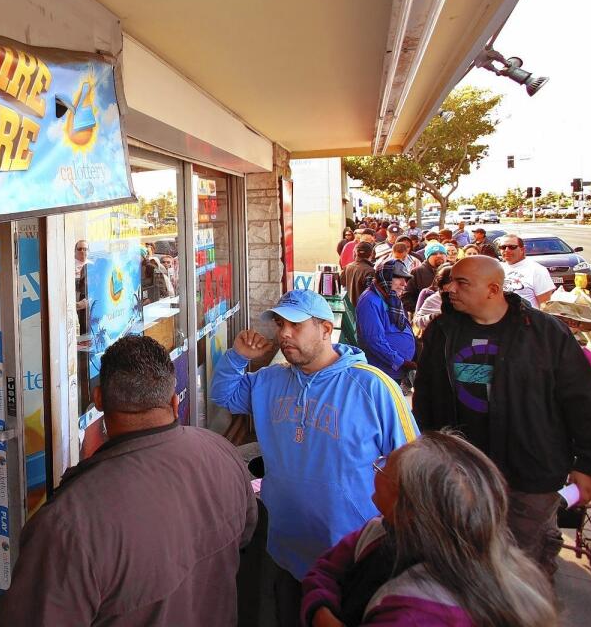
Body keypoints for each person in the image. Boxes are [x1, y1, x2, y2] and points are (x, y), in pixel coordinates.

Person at [0, 336, 257, 626]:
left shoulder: (68, 524)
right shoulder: (221, 451)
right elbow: (245, 534)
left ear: (98, 400)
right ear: (173, 402)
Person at [210, 290, 417, 627]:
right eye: (280, 324)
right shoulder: (270, 380)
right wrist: (237, 356)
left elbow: (413, 464)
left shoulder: (373, 386)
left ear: (325, 328)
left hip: (352, 553)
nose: (284, 334)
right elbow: (224, 394)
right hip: (286, 548)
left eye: (295, 324)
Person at [413, 256, 591, 578]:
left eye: (462, 283)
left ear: (493, 290)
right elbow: (426, 398)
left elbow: (584, 402)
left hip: (530, 474)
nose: (449, 289)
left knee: (523, 570)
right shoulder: (443, 331)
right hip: (462, 473)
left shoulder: (545, 333)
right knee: (464, 563)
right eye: (450, 281)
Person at [301, 431, 556, 627]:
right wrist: (320, 609)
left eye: (385, 466)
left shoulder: (425, 612)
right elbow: (326, 569)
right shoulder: (381, 529)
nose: (377, 468)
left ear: (410, 505)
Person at [355, 260, 416, 386]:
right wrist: (401, 362)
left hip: (393, 371)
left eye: (406, 279)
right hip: (383, 372)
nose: (404, 284)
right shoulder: (370, 301)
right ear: (386, 278)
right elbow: (374, 341)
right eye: (398, 278)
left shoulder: (389, 297)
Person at [542, 300, 591, 392]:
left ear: (577, 328)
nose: (564, 326)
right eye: (560, 321)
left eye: (572, 323)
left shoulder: (586, 357)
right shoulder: (531, 347)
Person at [497, 235, 554, 308]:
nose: (507, 250)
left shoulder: (537, 270)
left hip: (526, 318)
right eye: (503, 247)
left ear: (522, 249)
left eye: (512, 247)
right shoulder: (498, 268)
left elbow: (545, 306)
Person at [413, 262, 454, 334]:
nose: (453, 288)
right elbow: (417, 321)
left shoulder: (470, 298)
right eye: (449, 282)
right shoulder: (433, 299)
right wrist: (432, 316)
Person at [405, 242, 446, 313]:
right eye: (434, 254)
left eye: (442, 253)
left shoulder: (452, 270)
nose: (439, 255)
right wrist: (420, 310)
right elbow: (406, 297)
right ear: (427, 257)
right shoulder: (417, 272)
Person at [341, 241, 376, 307]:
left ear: (354, 253)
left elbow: (342, 284)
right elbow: (371, 295)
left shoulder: (348, 267)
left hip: (350, 309)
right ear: (371, 254)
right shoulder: (370, 271)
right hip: (364, 310)